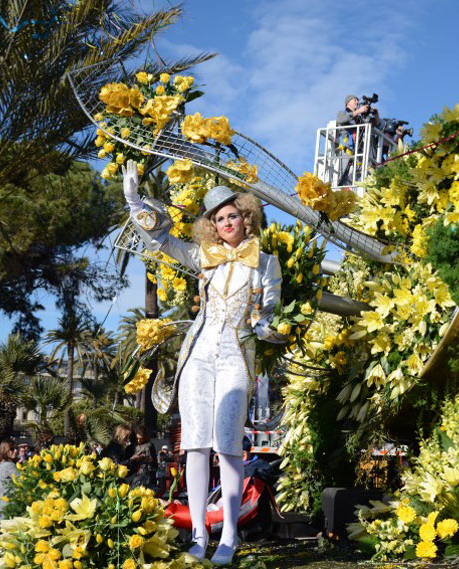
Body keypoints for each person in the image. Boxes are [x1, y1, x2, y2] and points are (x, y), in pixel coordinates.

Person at [123, 160, 283, 566]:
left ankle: (229, 534)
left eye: (233, 215)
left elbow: (269, 315)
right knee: (194, 445)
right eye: (219, 218)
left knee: (228, 446)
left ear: (246, 218)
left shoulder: (265, 262)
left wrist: (270, 329)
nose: (227, 222)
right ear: (212, 226)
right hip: (199, 354)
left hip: (235, 356)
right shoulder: (203, 256)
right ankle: (198, 533)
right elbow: (161, 241)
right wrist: (135, 202)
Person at [0, 439, 17, 523]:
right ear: (5, 451)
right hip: (7, 507)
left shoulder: (0, 464)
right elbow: (22, 481)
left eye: (16, 448)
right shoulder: (9, 465)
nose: (15, 451)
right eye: (12, 449)